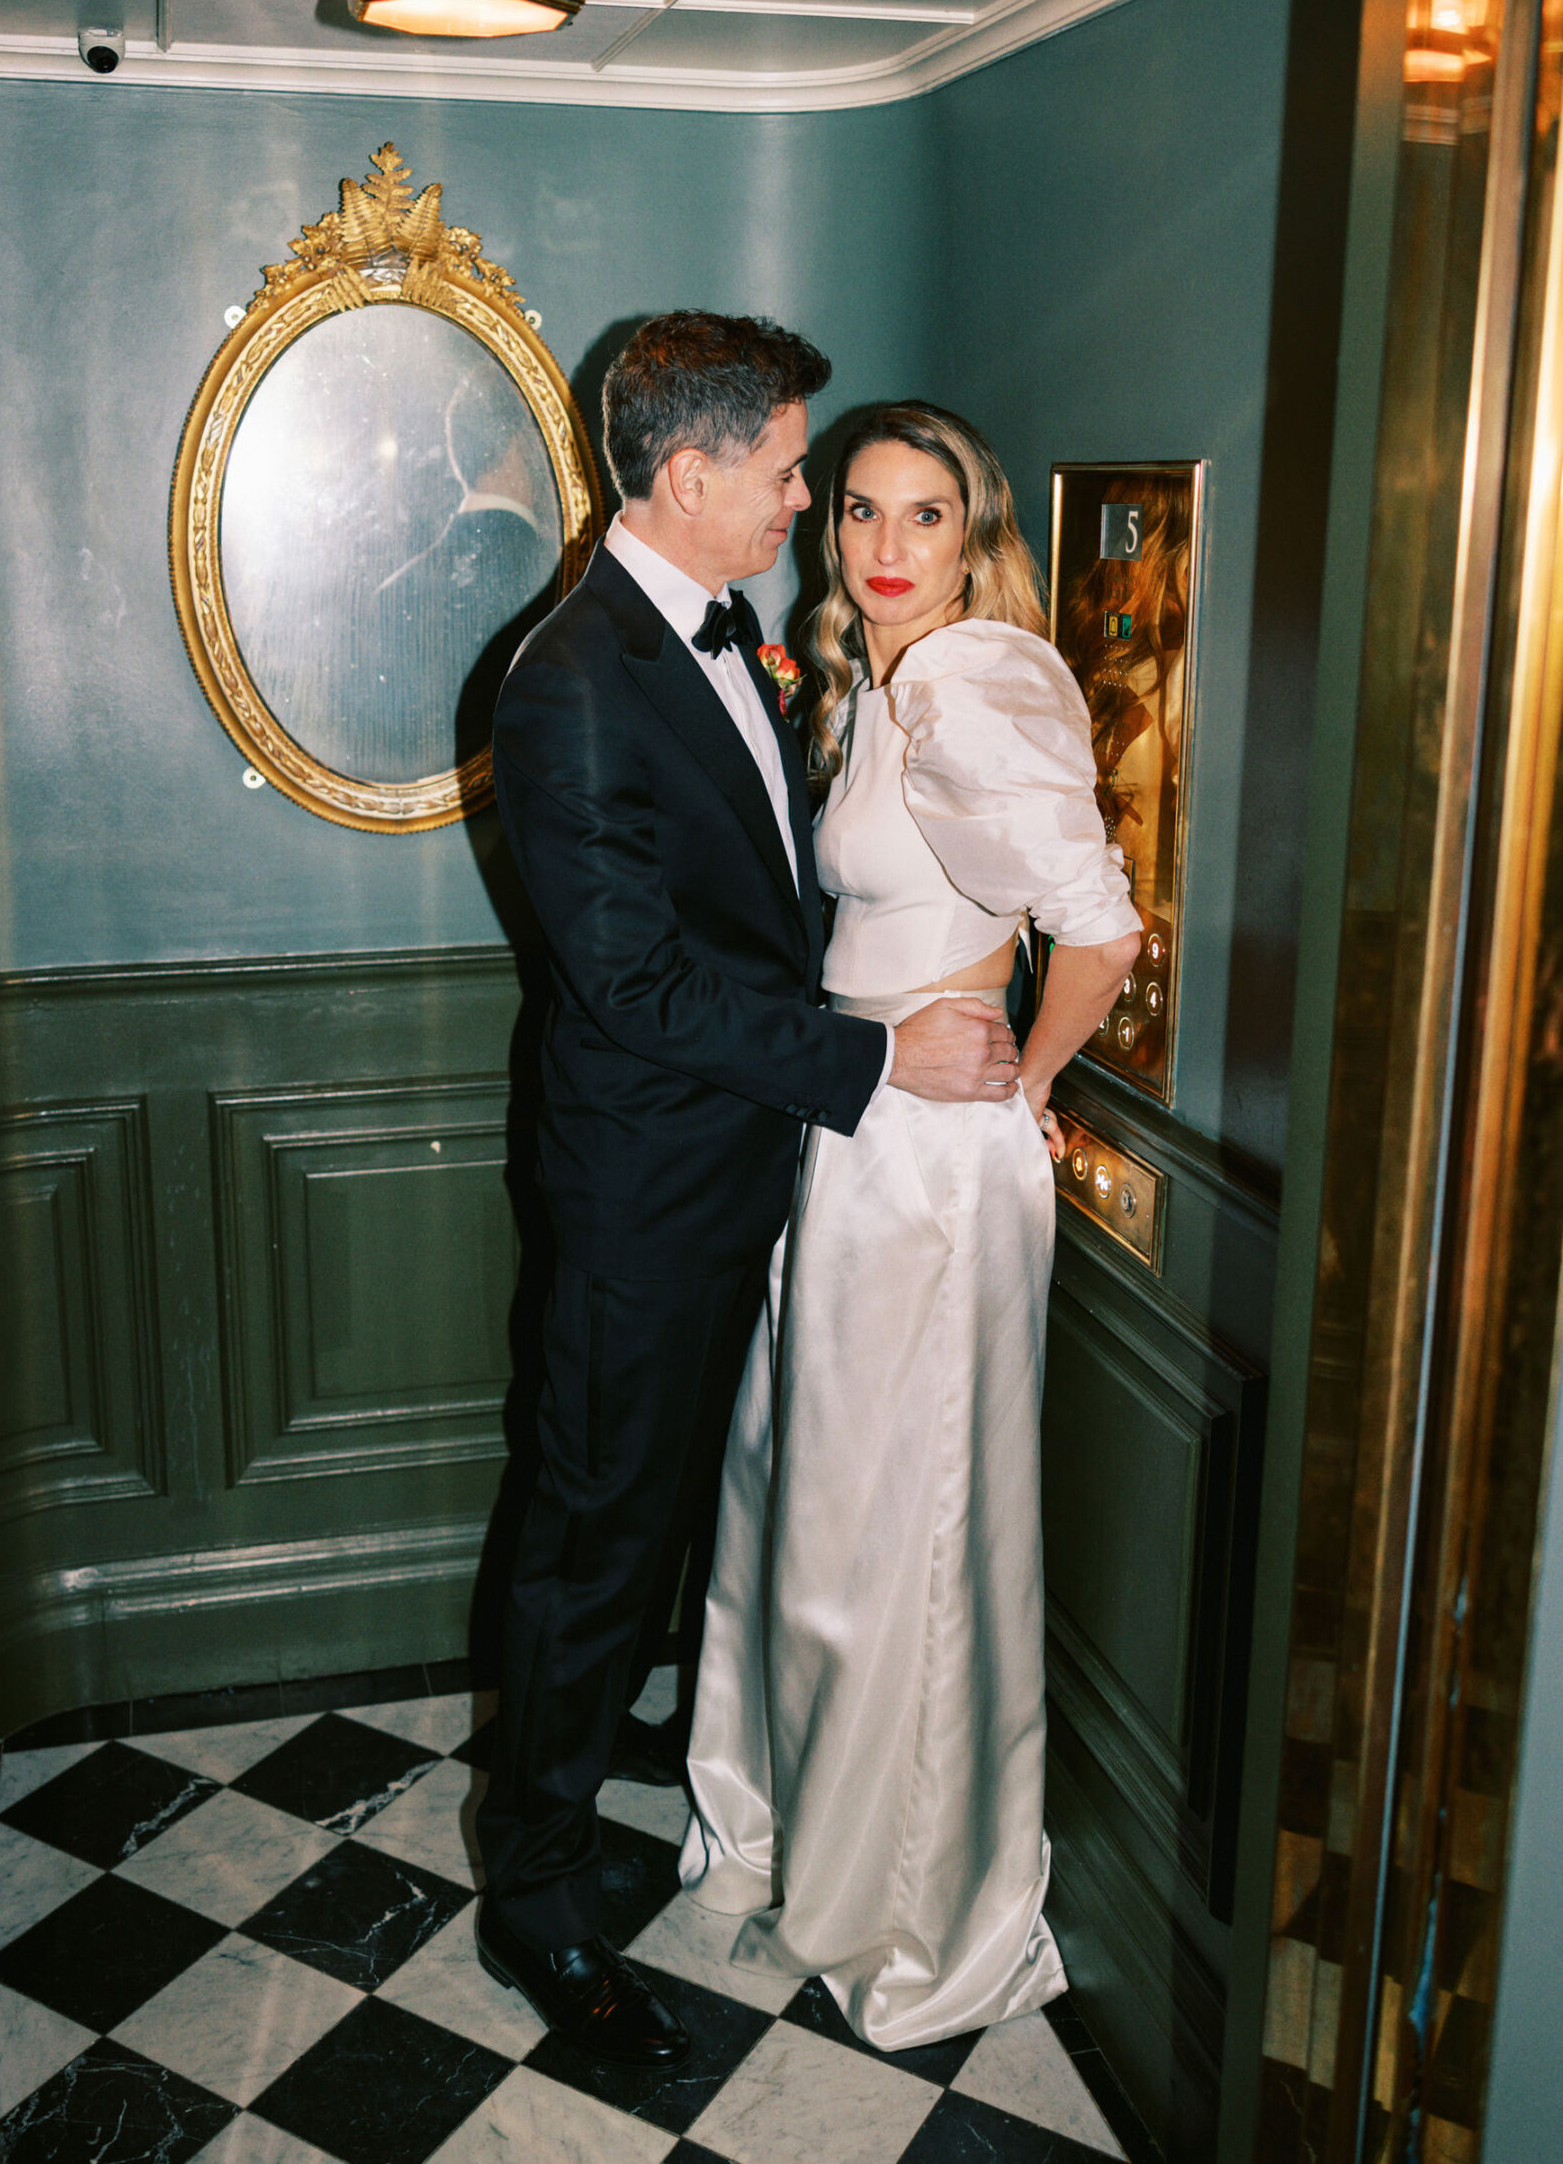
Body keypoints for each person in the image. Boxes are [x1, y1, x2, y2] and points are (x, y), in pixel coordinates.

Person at [476, 326, 1022, 2068]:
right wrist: (871, 1071)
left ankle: (637, 1733)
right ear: (691, 479)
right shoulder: (567, 680)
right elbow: (636, 985)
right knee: (593, 1527)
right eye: (791, 474)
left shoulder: (725, 640)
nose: (808, 498)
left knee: (681, 1503)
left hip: (752, 1165)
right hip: (649, 1186)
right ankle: (538, 1891)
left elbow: (763, 902)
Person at [680, 401, 1143, 2051]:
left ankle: (916, 1905)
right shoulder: (881, 677)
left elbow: (1098, 926)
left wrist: (1021, 1086)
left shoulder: (974, 678)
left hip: (936, 1162)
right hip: (859, 1131)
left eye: (923, 517)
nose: (881, 547)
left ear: (976, 534)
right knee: (820, 1502)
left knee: (907, 1529)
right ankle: (809, 1833)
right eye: (858, 512)